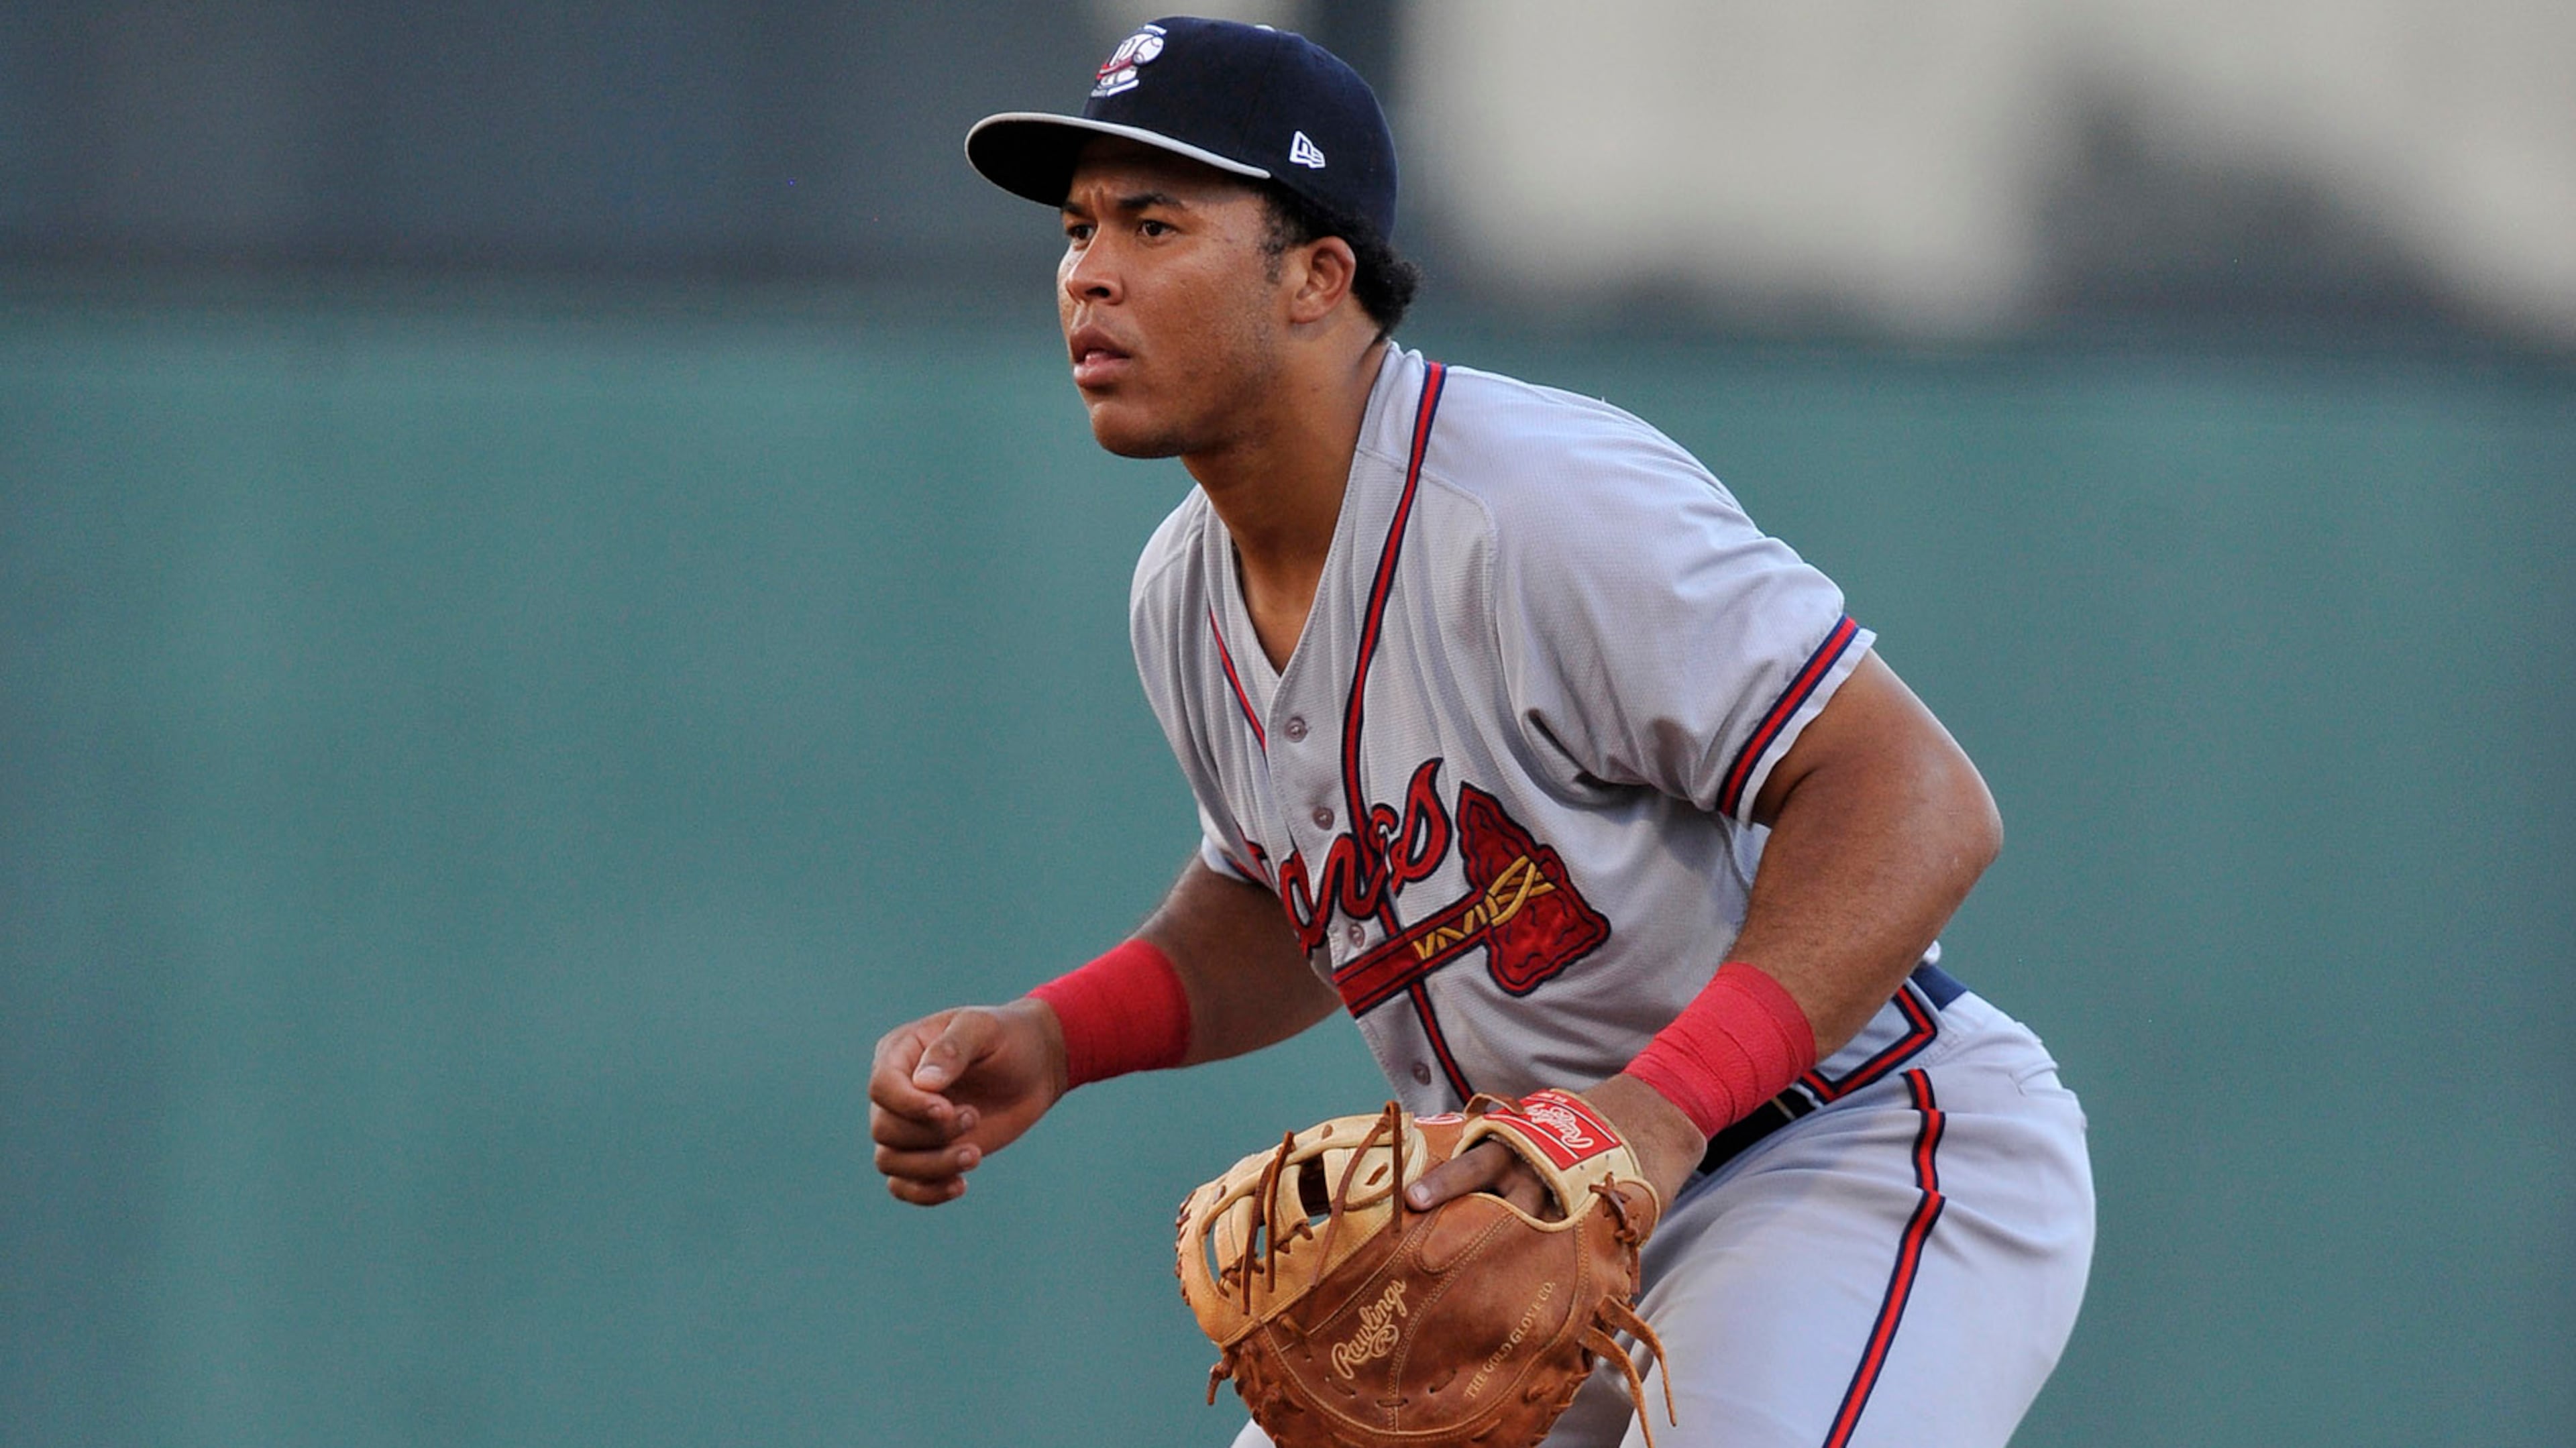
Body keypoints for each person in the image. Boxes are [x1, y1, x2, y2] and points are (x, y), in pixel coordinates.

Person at [870, 18, 2092, 1447]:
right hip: (1524, 1217)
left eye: (1156, 221)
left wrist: (1661, 1112)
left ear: (1321, 274)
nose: (1090, 270)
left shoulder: (1533, 503)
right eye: (1079, 228)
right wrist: (1059, 1036)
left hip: (1843, 1148)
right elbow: (1301, 901)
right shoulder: (1179, 593)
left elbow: (1917, 798)